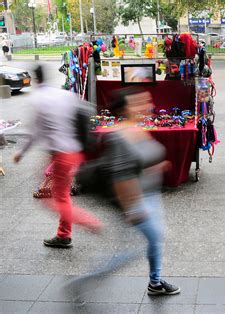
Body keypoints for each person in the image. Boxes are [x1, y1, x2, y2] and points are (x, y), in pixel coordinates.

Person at [72, 87, 180, 296]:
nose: (147, 106)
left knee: (154, 240)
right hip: (136, 201)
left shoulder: (138, 129)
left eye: (146, 101)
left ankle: (155, 283)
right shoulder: (119, 136)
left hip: (150, 195)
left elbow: (137, 163)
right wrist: (131, 210)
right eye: (138, 103)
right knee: (133, 249)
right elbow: (120, 177)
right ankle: (88, 279)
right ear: (124, 109)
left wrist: (156, 167)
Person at [13, 65, 102, 248]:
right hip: (74, 152)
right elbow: (87, 109)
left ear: (35, 80)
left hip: (61, 155)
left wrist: (21, 152)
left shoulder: (38, 99)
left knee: (53, 200)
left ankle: (89, 222)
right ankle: (63, 235)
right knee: (62, 196)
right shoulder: (64, 94)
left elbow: (35, 132)